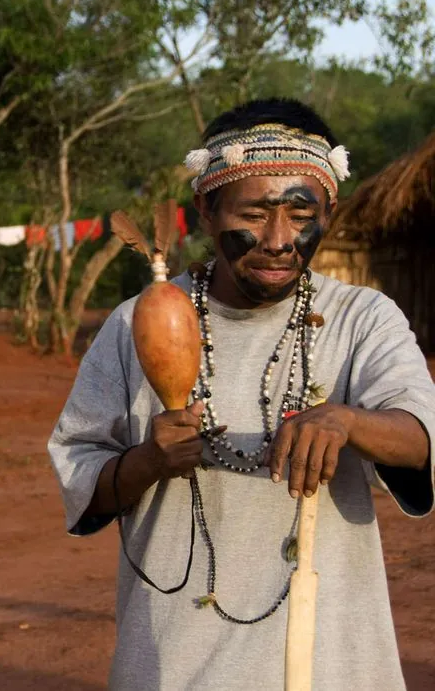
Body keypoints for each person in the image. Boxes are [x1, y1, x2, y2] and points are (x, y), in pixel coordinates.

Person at [48, 98, 435, 690]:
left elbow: (418, 438)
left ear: (328, 209)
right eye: (255, 213)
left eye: (302, 214)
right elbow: (81, 479)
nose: (280, 240)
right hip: (175, 666)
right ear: (206, 209)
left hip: (331, 666)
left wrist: (345, 422)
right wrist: (150, 461)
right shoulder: (134, 323)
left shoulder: (363, 318)